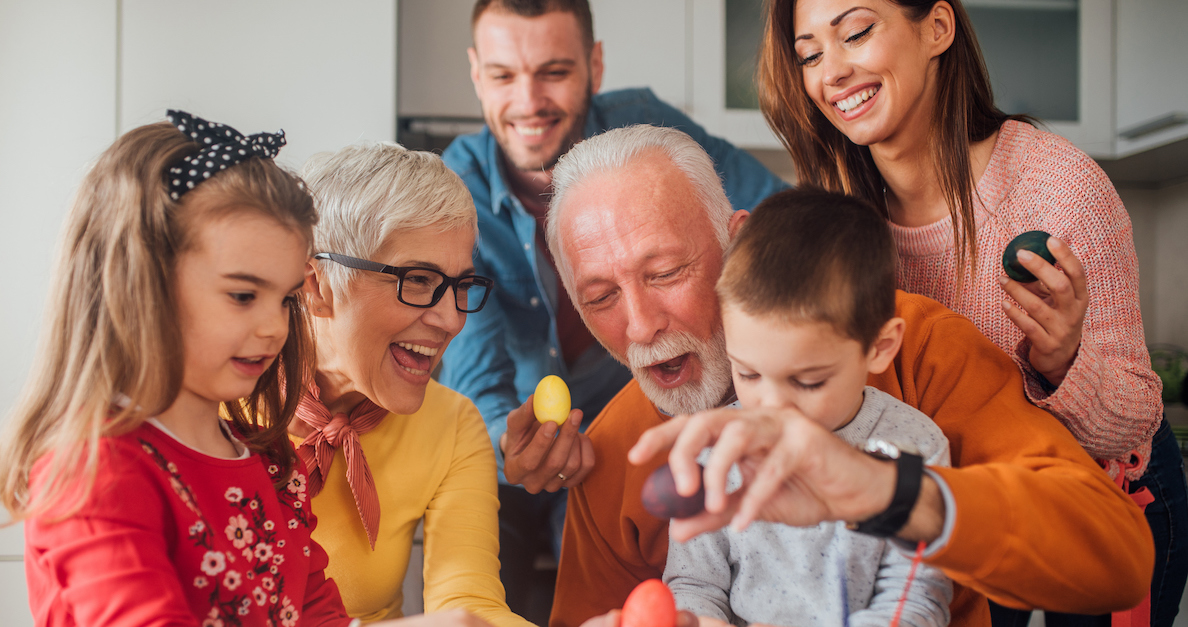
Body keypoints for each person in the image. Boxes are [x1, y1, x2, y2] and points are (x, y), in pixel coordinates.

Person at [542, 124, 1152, 627]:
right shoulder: (617, 450)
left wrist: (890, 492)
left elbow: (1117, 560)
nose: (642, 325)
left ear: (738, 244)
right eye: (599, 297)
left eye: (667, 271)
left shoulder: (919, 352)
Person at [755, 0, 1187, 625]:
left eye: (856, 33)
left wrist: (1063, 362)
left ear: (937, 28)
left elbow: (1134, 419)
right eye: (811, 54)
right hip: (966, 504)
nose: (834, 72)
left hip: (1103, 499)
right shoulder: (840, 216)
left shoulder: (1060, 189)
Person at [438, 0, 788, 610]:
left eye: (554, 71)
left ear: (595, 66)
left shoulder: (648, 131)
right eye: (502, 75)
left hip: (648, 432)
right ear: (475, 74)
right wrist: (510, 449)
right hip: (527, 452)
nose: (528, 101)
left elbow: (783, 226)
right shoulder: (457, 193)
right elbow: (476, 377)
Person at [0, 111, 358, 626]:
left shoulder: (273, 461)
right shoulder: (96, 472)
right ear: (140, 282)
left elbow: (319, 616)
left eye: (284, 300)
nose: (275, 328)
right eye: (242, 295)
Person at [664, 189, 952, 627]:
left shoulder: (916, 450)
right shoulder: (716, 449)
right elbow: (694, 584)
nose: (772, 406)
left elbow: (915, 604)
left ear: (880, 346)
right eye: (749, 374)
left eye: (808, 381)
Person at [291, 142, 530, 627]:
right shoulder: (209, 408)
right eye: (418, 279)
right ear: (316, 286)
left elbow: (471, 604)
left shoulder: (453, 426)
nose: (451, 319)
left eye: (462, 286)